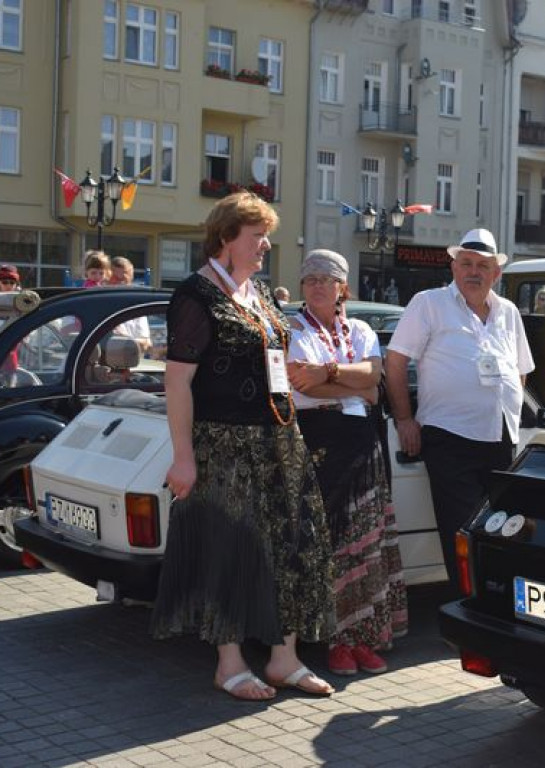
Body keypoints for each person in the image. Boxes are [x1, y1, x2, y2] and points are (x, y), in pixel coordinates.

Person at [151, 192, 335, 701]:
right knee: (229, 552)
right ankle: (229, 663)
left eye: (266, 236)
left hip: (279, 439)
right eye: (257, 236)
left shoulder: (258, 293)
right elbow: (177, 383)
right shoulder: (196, 294)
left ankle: (284, 659)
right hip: (223, 446)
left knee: (294, 546)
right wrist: (183, 455)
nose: (265, 245)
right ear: (227, 237)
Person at [385, 228, 535, 583]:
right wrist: (405, 419)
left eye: (483, 265)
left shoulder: (508, 311)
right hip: (450, 437)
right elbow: (394, 362)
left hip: (500, 439)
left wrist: (508, 406)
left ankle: (496, 611)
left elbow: (520, 371)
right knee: (464, 533)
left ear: (496, 274)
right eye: (466, 263)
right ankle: (469, 614)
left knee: (502, 530)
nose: (474, 271)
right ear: (453, 268)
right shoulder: (429, 303)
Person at [286, 249, 407, 676]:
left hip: (360, 443)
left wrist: (328, 373)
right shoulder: (293, 328)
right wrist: (350, 383)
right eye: (310, 278)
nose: (317, 285)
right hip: (317, 443)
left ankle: (363, 638)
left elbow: (374, 378)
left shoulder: (360, 328)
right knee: (331, 548)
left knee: (366, 545)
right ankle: (335, 642)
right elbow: (299, 385)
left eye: (326, 278)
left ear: (343, 288)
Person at [109, 257, 152, 353]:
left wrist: (123, 339)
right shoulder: (99, 305)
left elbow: (146, 345)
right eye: (116, 278)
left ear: (131, 279)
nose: (120, 283)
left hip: (133, 365)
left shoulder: (136, 307)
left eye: (123, 279)